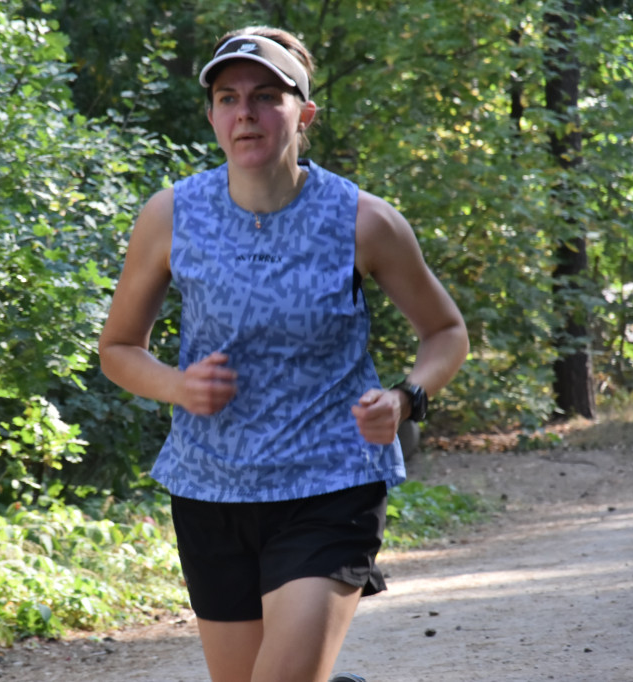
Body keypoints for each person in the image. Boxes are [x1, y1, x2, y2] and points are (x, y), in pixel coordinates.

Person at [98, 25, 469, 682]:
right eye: (228, 97)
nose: (246, 112)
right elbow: (120, 349)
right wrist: (177, 386)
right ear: (211, 115)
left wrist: (405, 398)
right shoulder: (171, 217)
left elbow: (445, 331)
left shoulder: (363, 220)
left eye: (268, 95)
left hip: (332, 483)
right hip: (211, 491)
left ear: (305, 112)